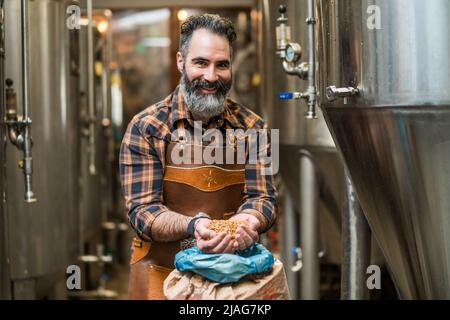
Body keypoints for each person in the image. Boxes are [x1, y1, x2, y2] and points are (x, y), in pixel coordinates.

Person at [119, 13, 277, 300]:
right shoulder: (147, 127)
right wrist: (195, 225)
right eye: (201, 62)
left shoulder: (255, 127)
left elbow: (264, 198)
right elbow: (142, 212)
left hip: (234, 279)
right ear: (181, 61)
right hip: (161, 275)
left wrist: (249, 221)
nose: (211, 76)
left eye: (222, 65)